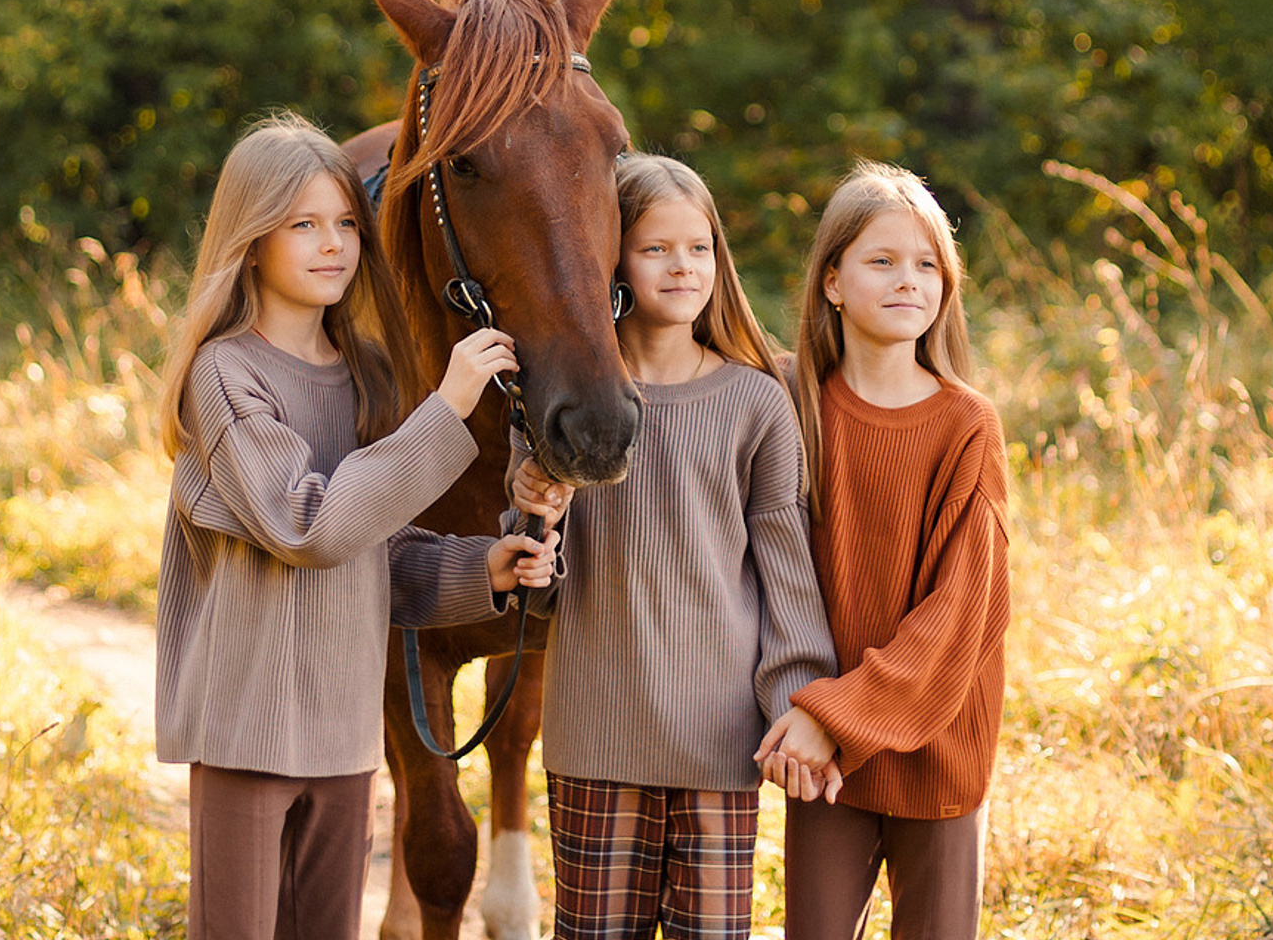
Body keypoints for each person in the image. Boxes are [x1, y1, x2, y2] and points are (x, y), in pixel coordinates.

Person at [154, 112, 557, 940]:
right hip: (247, 729)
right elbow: (311, 528)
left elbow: (376, 548)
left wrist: (486, 569)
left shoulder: (368, 377)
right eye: (302, 224)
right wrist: (447, 408)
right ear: (252, 238)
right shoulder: (225, 375)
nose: (332, 243)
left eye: (345, 223)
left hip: (343, 740)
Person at [512, 152, 837, 940]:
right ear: (610, 259)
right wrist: (535, 515)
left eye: (698, 248)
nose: (682, 266)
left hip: (719, 746)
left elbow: (785, 571)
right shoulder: (559, 403)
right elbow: (536, 584)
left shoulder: (756, 402)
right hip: (596, 736)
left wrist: (801, 705)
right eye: (655, 248)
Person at [756, 162, 1011, 940]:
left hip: (935, 745)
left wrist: (833, 715)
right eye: (883, 261)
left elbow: (961, 609)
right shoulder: (790, 406)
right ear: (832, 282)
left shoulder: (967, 424)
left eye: (928, 263)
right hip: (825, 760)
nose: (910, 281)